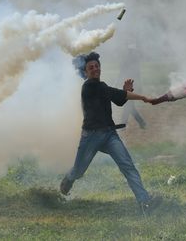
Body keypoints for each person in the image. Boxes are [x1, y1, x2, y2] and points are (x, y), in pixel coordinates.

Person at [60, 51, 161, 212]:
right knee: (78, 171)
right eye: (91, 67)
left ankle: (145, 203)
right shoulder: (89, 86)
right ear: (85, 72)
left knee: (128, 166)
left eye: (97, 66)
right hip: (91, 136)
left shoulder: (102, 86)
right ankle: (69, 179)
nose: (95, 69)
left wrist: (125, 91)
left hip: (109, 135)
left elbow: (118, 100)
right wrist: (142, 97)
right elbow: (115, 94)